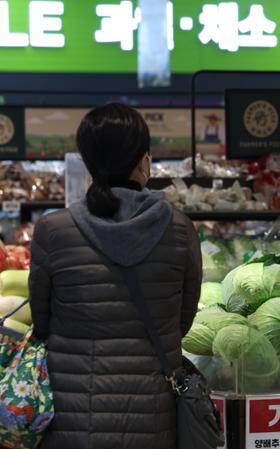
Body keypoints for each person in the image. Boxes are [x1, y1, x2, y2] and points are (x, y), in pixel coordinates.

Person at [29, 103, 202, 449]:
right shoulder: (181, 230)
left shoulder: (52, 230)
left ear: (88, 162)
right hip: (153, 414)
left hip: (72, 415)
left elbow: (43, 323)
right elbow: (181, 321)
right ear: (143, 160)